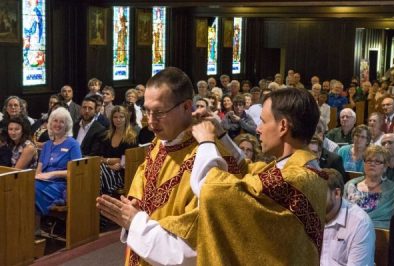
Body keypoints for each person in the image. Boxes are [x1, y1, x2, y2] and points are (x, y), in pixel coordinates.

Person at [96, 67, 242, 265]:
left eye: (158, 112)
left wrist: (135, 222)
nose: (150, 122)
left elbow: (195, 247)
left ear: (186, 106)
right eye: (147, 111)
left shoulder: (210, 159)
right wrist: (131, 209)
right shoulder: (160, 142)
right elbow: (143, 188)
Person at [190, 88, 327, 265]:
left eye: (263, 121)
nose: (258, 129)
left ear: (283, 126)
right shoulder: (302, 168)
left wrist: (206, 141)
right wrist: (220, 133)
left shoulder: (293, 178)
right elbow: (248, 170)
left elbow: (210, 190)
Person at [35, 107, 82, 232]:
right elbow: (38, 171)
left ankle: (34, 229)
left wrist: (52, 174)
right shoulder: (47, 145)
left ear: (67, 125)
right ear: (50, 123)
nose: (58, 124)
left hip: (61, 186)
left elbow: (77, 172)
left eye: (62, 121)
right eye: (55, 121)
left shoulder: (73, 144)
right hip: (42, 182)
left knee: (31, 189)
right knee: (23, 187)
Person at [321, 168, 375, 266]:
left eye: (319, 193)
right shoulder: (309, 215)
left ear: (337, 193)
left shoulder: (360, 223)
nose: (314, 198)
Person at [344, 145, 394, 229]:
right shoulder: (350, 185)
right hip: (350, 232)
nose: (372, 164)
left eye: (377, 161)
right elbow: (342, 214)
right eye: (369, 160)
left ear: (385, 166)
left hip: (382, 237)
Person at [99, 105, 138, 195]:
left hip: (122, 175)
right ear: (112, 119)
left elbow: (124, 162)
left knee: (99, 173)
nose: (118, 120)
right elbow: (100, 158)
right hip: (106, 170)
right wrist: (111, 163)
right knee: (95, 171)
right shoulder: (106, 136)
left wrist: (107, 161)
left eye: (121, 117)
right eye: (115, 117)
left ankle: (103, 200)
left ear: (126, 119)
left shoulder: (131, 137)